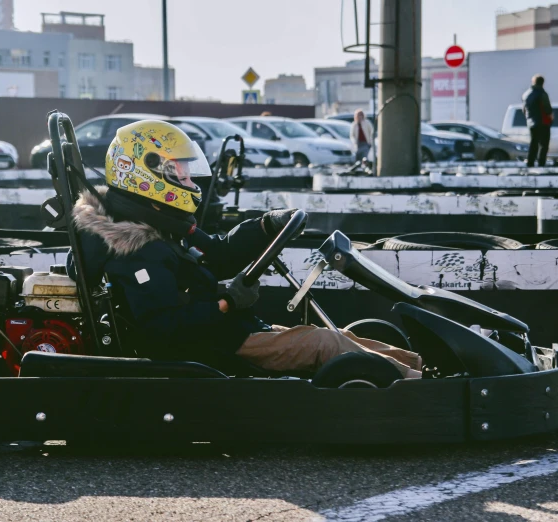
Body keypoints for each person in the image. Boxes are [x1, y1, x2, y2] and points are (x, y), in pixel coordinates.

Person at [68, 120, 421, 379]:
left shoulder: (158, 222)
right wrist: (227, 302)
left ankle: (422, 368)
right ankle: (418, 391)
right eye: (180, 173)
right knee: (326, 344)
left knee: (340, 337)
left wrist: (265, 225)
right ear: (149, 176)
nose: (189, 181)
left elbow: (218, 255)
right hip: (208, 346)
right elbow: (163, 327)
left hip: (225, 332)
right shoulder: (135, 249)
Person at [522, 74, 553, 167]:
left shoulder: (526, 94)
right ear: (542, 83)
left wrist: (529, 118)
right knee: (544, 145)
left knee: (533, 144)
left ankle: (530, 163)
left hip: (531, 123)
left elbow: (524, 110)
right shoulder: (542, 93)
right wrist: (550, 117)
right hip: (542, 122)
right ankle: (541, 163)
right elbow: (547, 108)